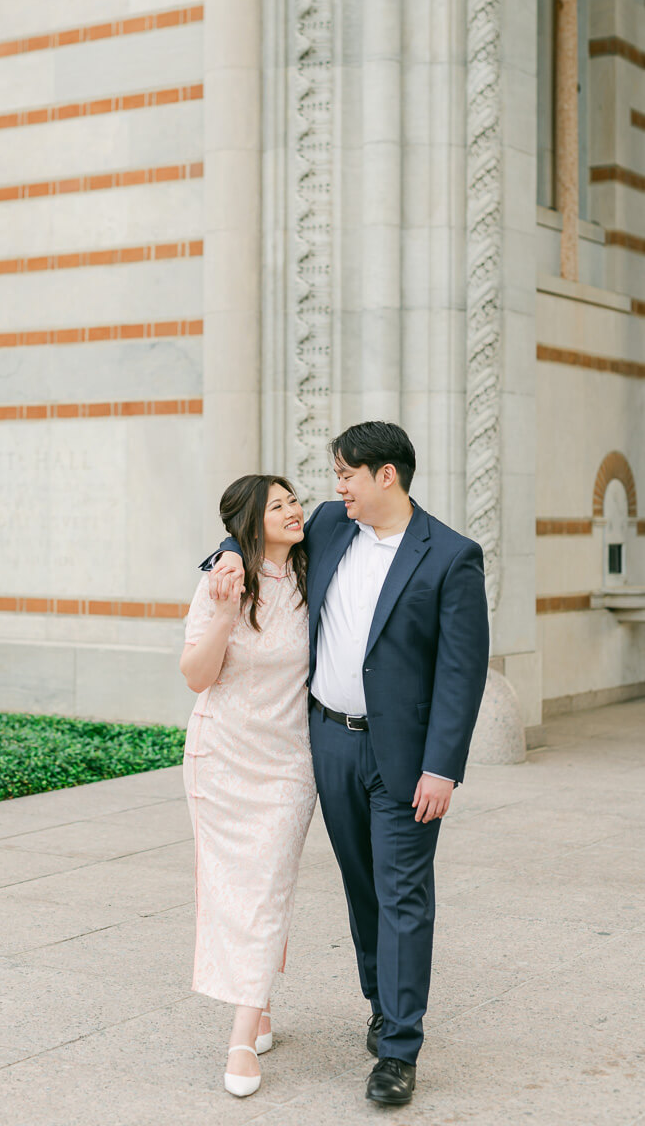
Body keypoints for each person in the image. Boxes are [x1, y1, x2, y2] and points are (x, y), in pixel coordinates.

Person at [206, 421, 489, 1106]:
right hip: (327, 743)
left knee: (402, 895)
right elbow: (249, 530)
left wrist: (442, 768)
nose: (335, 488)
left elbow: (462, 671)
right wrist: (225, 557)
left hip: (406, 759)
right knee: (364, 888)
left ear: (385, 474)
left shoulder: (451, 556)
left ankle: (398, 1049)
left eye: (347, 475)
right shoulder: (332, 525)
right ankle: (381, 1001)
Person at [180, 474, 317, 1099]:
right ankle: (254, 1010)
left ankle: (240, 1034)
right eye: (278, 505)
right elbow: (195, 675)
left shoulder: (318, 568)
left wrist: (228, 545)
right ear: (251, 521)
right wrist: (228, 605)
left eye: (295, 501)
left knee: (268, 885)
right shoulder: (224, 581)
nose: (293, 511)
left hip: (289, 762)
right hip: (221, 755)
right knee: (234, 887)